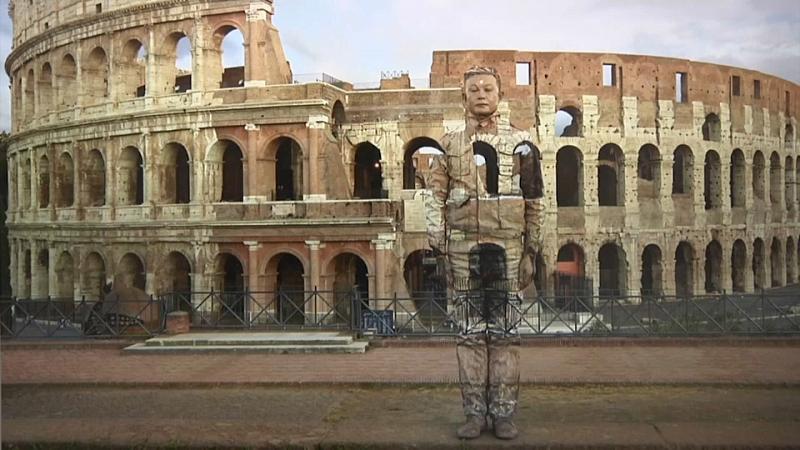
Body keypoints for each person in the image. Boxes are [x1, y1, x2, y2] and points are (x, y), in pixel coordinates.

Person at [423, 66, 545, 440]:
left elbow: (535, 200)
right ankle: (474, 413)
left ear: (499, 96)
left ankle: (504, 414)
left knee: (506, 334)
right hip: (463, 250)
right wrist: (440, 250)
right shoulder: (449, 145)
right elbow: (435, 200)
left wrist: (531, 251)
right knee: (469, 334)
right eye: (473, 89)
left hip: (509, 248)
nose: (481, 94)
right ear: (463, 97)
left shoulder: (522, 143)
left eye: (488, 89)